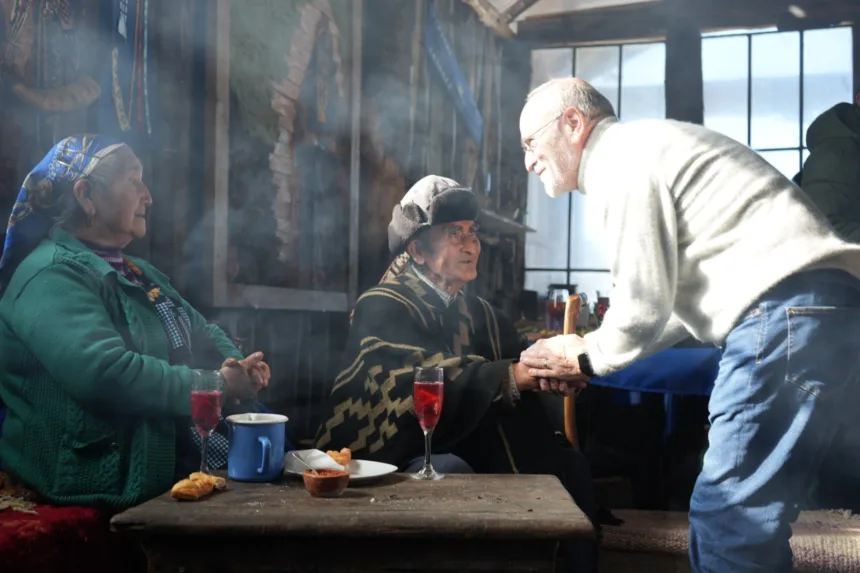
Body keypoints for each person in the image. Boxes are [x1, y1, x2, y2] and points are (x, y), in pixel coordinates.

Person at [517, 78, 860, 573]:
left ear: (573, 123)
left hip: (783, 316)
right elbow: (674, 312)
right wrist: (591, 354)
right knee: (748, 518)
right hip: (823, 316)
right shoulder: (653, 145)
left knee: (730, 520)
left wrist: (583, 354)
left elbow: (641, 308)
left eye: (531, 144)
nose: (529, 161)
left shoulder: (620, 158)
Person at [315, 175, 599, 571]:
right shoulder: (381, 305)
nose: (471, 245)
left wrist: (558, 370)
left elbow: (523, 361)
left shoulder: (479, 312)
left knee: (567, 464)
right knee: (451, 473)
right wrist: (513, 376)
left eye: (472, 232)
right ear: (417, 250)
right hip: (393, 454)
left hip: (463, 441)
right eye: (455, 234)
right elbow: (412, 385)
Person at [0, 135, 272, 511]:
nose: (148, 195)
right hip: (103, 475)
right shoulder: (50, 276)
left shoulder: (139, 271)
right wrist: (216, 385)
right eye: (133, 180)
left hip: (177, 456)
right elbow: (106, 375)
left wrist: (239, 366)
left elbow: (203, 331)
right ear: (86, 196)